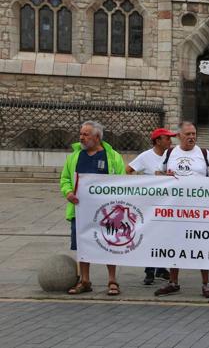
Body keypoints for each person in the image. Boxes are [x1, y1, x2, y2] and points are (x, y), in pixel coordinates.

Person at [154, 122, 209, 298]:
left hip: (198, 210)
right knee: (174, 244)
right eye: (188, 134)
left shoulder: (205, 154)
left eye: (194, 134)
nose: (192, 137)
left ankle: (206, 284)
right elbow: (157, 174)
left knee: (202, 245)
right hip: (175, 209)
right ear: (179, 136)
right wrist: (164, 177)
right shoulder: (170, 153)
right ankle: (173, 282)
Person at [61, 121, 125, 296]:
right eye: (81, 133)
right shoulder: (74, 156)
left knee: (109, 243)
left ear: (97, 137)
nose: (81, 137)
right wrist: (68, 193)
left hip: (107, 212)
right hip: (80, 210)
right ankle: (85, 280)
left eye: (86, 134)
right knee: (83, 246)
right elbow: (65, 179)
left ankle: (112, 280)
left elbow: (122, 181)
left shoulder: (112, 157)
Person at [126, 127, 177, 285]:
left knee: (165, 236)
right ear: (157, 141)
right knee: (151, 236)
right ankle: (149, 270)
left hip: (169, 203)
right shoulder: (146, 157)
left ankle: (161, 268)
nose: (170, 141)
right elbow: (127, 171)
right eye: (167, 138)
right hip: (151, 204)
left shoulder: (173, 155)